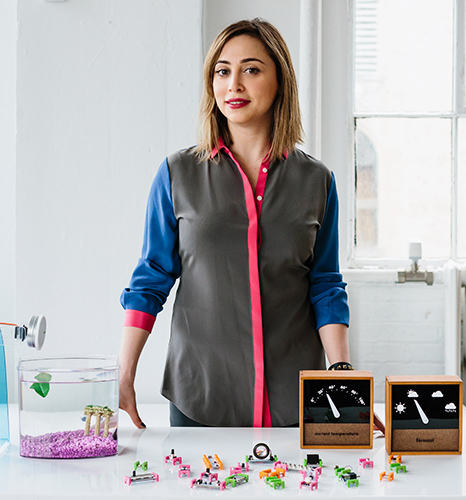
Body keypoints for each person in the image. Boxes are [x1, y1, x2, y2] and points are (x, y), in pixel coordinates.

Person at [119, 18, 350, 428]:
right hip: (201, 397)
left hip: (294, 401)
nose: (234, 84)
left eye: (252, 69)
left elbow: (326, 283)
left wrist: (343, 380)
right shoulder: (176, 174)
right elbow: (151, 278)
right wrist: (125, 375)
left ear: (281, 81)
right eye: (222, 71)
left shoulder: (318, 181)